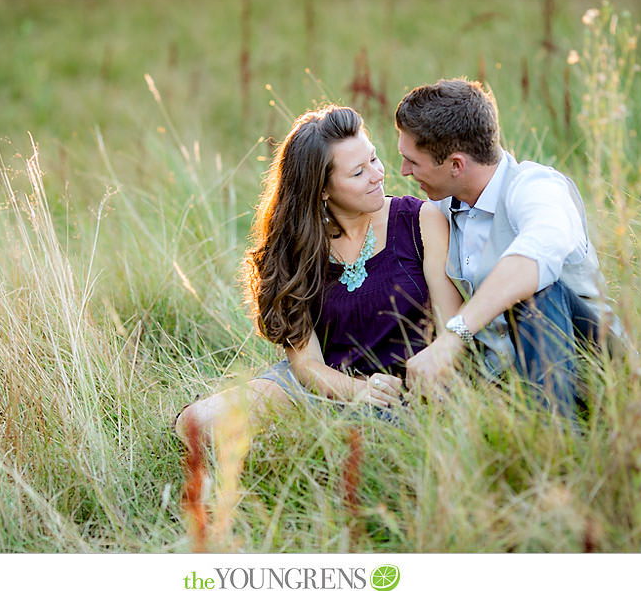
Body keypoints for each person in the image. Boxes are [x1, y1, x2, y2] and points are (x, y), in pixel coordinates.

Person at [175, 105, 463, 442]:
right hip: (322, 386)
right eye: (358, 172)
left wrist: (412, 386)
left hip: (404, 392)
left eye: (373, 158)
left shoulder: (420, 220)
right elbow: (306, 365)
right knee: (196, 424)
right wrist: (358, 391)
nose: (377, 174)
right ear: (322, 189)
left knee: (376, 444)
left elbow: (450, 329)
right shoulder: (296, 246)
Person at [395, 78, 622, 417]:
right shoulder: (439, 210)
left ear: (456, 165)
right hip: (501, 383)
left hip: (593, 367)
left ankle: (557, 440)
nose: (404, 171)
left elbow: (535, 253)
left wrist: (453, 337)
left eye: (413, 161)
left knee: (535, 290)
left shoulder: (538, 188)